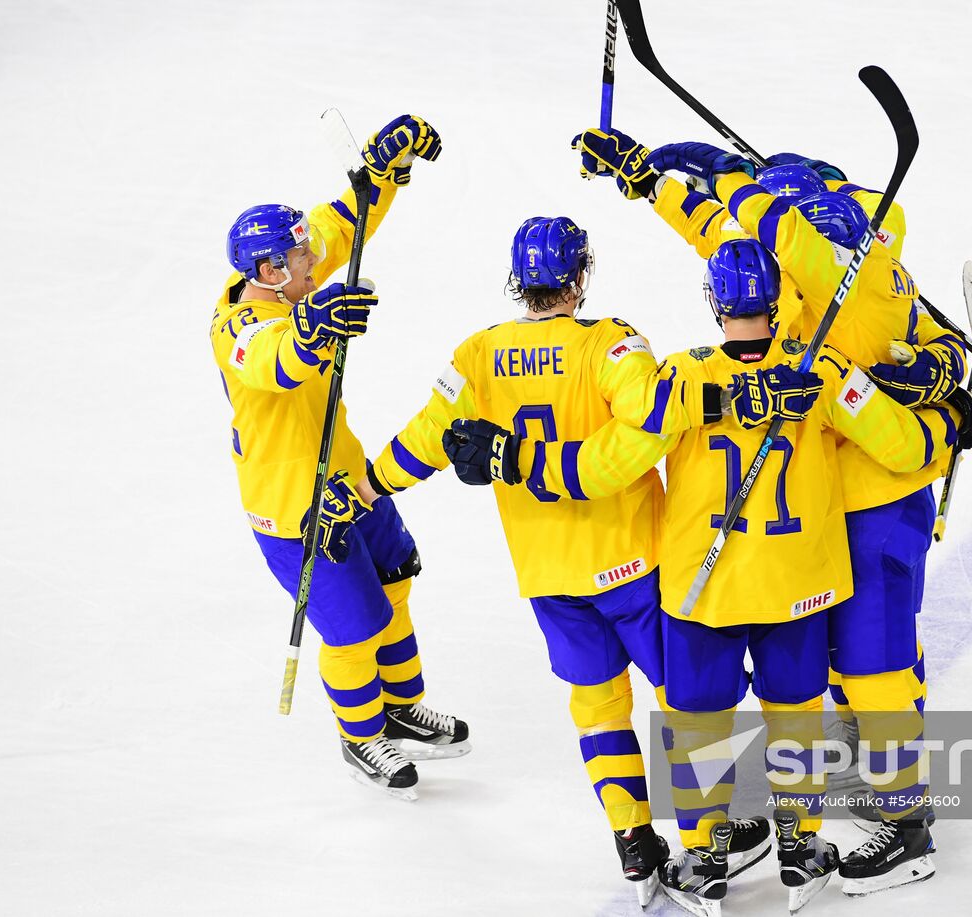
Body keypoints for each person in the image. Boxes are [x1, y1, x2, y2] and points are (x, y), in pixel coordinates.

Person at [445, 238, 972, 915]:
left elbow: (602, 469)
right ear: (777, 301)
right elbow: (905, 446)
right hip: (799, 589)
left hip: (705, 593)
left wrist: (518, 457)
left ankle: (705, 856)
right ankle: (799, 847)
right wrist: (952, 416)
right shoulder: (824, 369)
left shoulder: (675, 378)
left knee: (698, 723)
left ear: (714, 302)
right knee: (795, 716)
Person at [575, 128, 972, 892]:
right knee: (853, 668)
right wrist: (651, 183)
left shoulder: (838, 273)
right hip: (838, 509)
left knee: (876, 667)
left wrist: (945, 410)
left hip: (876, 503)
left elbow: (757, 221)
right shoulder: (835, 257)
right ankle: (880, 769)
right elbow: (729, 237)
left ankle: (905, 822)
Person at [329, 215, 769, 904]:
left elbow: (428, 435)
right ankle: (706, 838)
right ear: (581, 275)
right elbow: (650, 418)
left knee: (597, 709)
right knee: (686, 701)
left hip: (547, 574)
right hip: (636, 565)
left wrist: (370, 485)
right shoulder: (612, 343)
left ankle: (632, 839)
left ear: (520, 281)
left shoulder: (477, 353)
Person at [208, 114, 469, 801]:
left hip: (347, 474)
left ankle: (400, 706)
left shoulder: (291, 269)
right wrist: (315, 330)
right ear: (268, 272)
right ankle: (360, 736)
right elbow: (275, 363)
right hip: (292, 507)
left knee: (395, 579)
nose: (313, 261)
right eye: (299, 260)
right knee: (353, 626)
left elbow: (339, 224)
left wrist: (381, 175)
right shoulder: (236, 328)